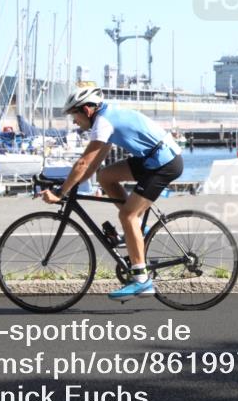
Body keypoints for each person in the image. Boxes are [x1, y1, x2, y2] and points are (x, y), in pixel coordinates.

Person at [40, 87, 183, 301]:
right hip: (151, 159)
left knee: (127, 215)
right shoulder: (106, 117)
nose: (74, 122)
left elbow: (83, 162)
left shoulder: (103, 122)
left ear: (87, 110)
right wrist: (75, 182)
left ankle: (142, 280)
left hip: (163, 163)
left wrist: (61, 193)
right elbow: (93, 165)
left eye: (74, 115)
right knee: (105, 177)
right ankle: (138, 231)